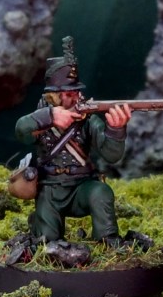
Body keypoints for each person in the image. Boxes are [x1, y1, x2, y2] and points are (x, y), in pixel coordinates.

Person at [15, 37, 131, 246]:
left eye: (76, 92)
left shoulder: (87, 121)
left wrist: (116, 130)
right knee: (46, 242)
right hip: (49, 191)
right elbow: (21, 131)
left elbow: (112, 155)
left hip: (81, 188)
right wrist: (50, 117)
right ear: (53, 96)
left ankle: (108, 241)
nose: (75, 98)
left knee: (101, 192)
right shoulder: (40, 119)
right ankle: (40, 227)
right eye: (68, 94)